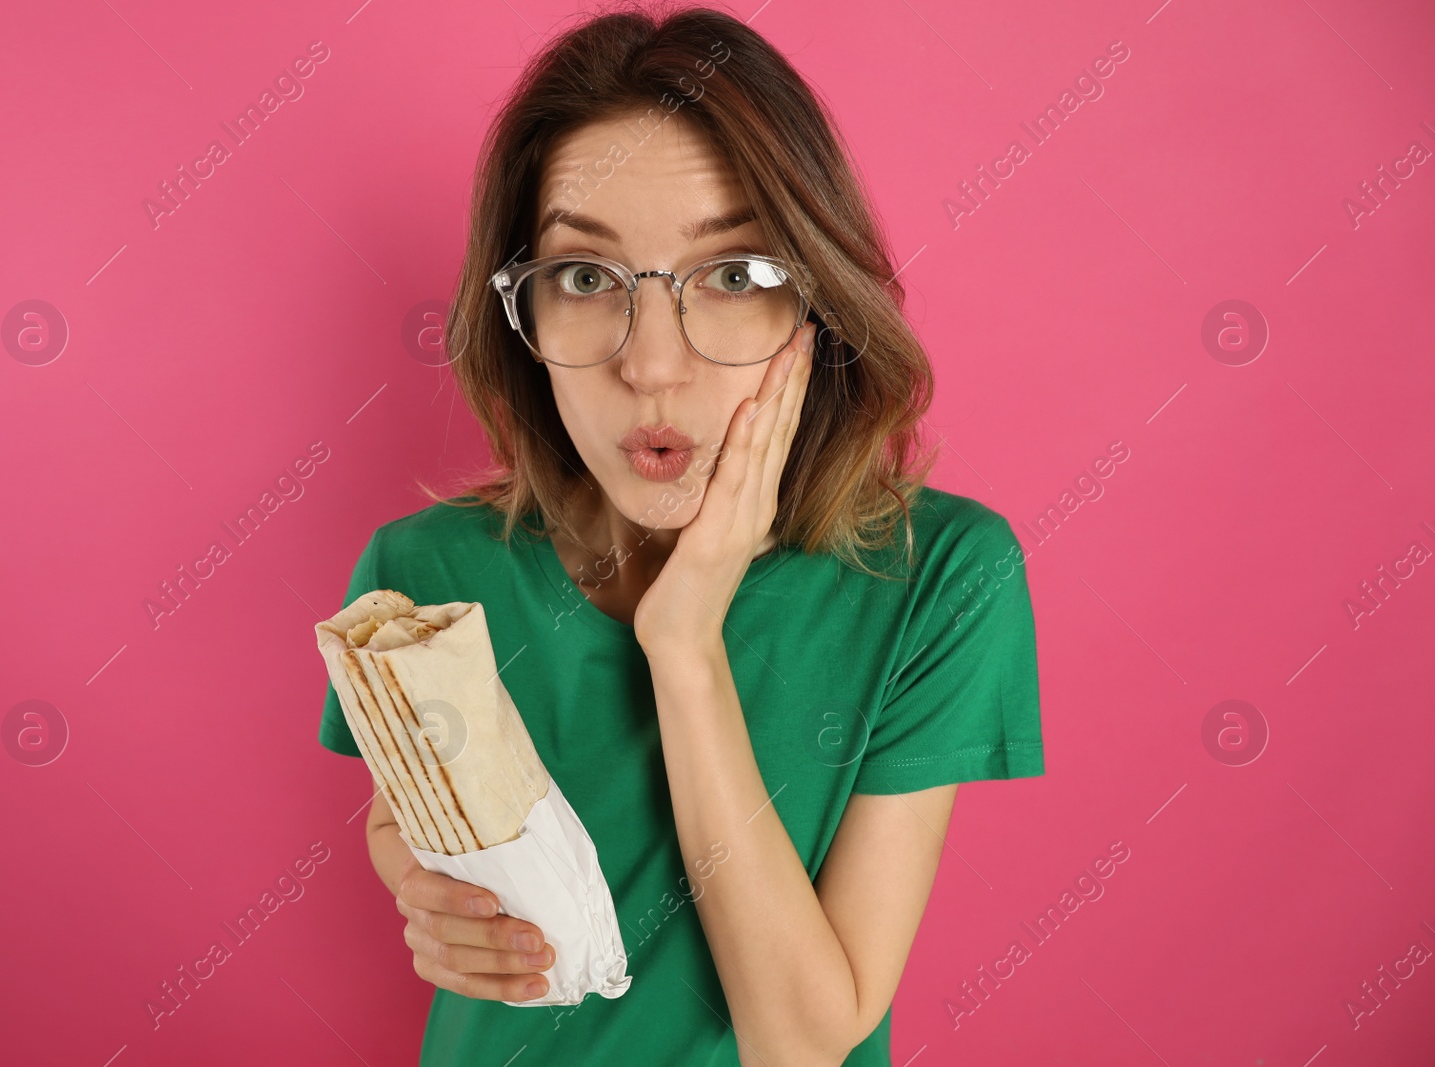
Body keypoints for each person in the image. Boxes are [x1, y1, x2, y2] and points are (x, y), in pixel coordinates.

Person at [316, 4, 1044, 1063]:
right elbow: (417, 819)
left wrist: (685, 643)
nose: (651, 366)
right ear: (519, 313)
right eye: (582, 276)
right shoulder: (424, 575)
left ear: (818, 305)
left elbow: (801, 1037)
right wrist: (421, 886)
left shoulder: (939, 577)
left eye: (735, 275)